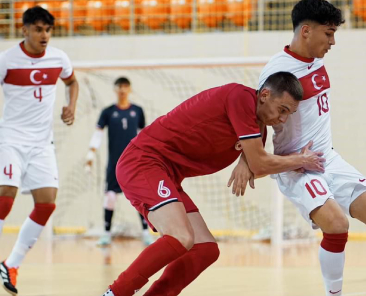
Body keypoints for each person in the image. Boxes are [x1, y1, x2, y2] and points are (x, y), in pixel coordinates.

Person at [231, 0, 366, 296]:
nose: (333, 41)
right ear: (306, 31)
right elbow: (261, 114)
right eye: (329, 33)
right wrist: (248, 158)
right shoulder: (278, 70)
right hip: (297, 166)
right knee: (336, 224)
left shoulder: (316, 58)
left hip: (326, 158)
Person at [102, 71, 326, 296]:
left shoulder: (257, 131)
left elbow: (257, 168)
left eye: (289, 113)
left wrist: (249, 162)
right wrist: (300, 160)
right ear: (265, 95)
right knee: (181, 236)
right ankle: (115, 293)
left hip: (166, 175)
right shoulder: (240, 97)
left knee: (205, 249)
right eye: (282, 110)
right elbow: (261, 163)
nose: (283, 119)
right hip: (143, 161)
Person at [0, 6, 79, 296]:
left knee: (47, 203)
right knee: (5, 193)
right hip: (10, 138)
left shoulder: (59, 58)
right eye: (38, 29)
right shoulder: (7, 60)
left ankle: (11, 263)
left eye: (48, 29)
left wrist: (71, 105)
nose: (44, 35)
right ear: (24, 30)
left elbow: (72, 81)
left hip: (42, 142)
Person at [86, 77, 153, 246]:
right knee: (110, 197)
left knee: (141, 198)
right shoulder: (108, 112)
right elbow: (98, 134)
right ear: (115, 89)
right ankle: (106, 234)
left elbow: (143, 135)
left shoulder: (137, 111)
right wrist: (90, 155)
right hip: (114, 165)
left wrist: (148, 157)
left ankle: (146, 233)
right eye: (119, 87)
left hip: (134, 163)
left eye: (125, 87)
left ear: (129, 89)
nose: (122, 90)